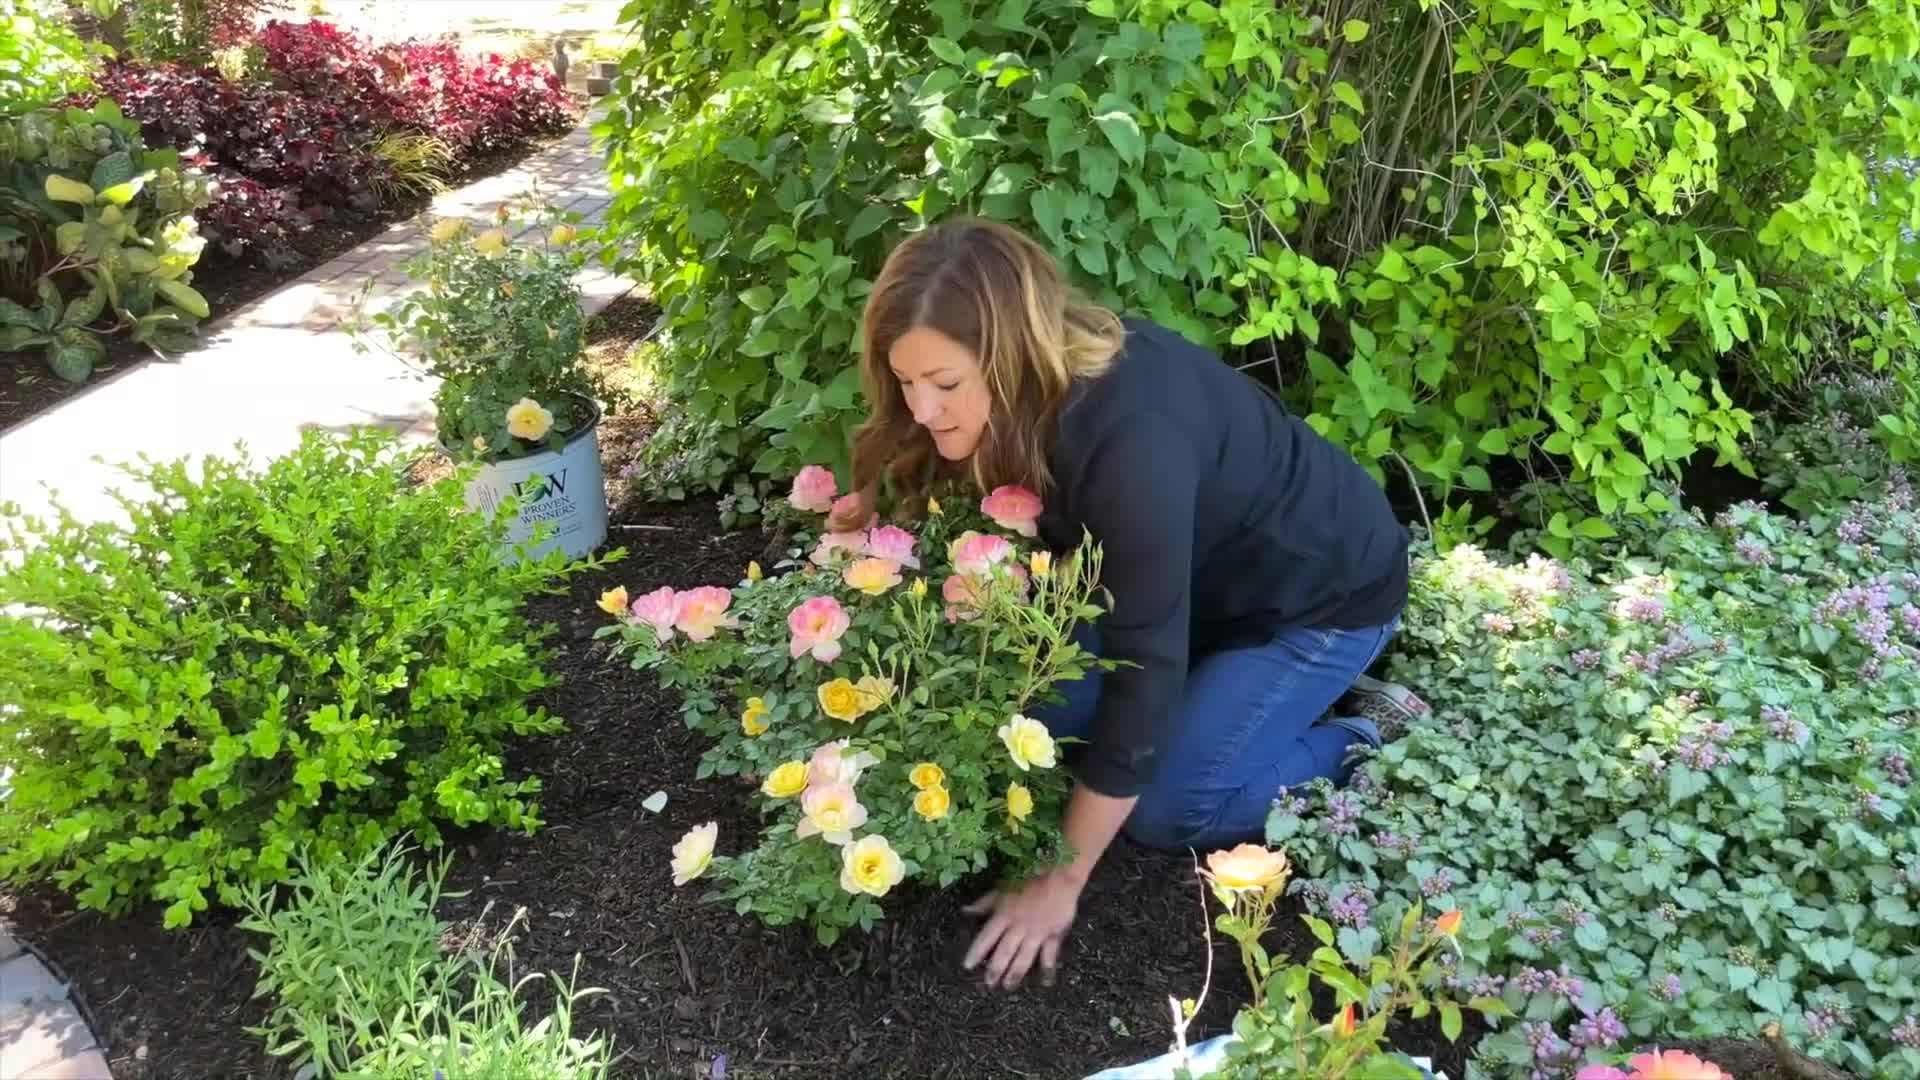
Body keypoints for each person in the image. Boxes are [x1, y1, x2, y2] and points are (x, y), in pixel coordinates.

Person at [828, 217, 1423, 992]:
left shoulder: (1131, 440)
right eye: (906, 382)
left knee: (1172, 810)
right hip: (1195, 593)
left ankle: (1364, 731)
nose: (924, 409)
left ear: (1012, 357)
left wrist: (1060, 882)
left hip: (1315, 604)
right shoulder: (1041, 389)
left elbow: (1147, 667)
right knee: (1042, 715)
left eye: (944, 385)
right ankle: (1239, 705)